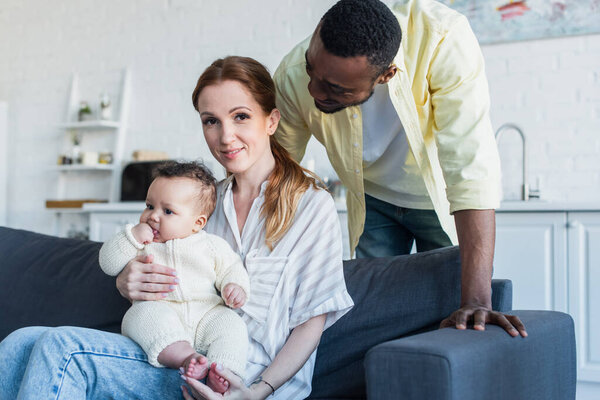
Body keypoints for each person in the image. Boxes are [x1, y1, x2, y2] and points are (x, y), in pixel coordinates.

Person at [0, 56, 353, 400]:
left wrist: (258, 392)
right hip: (178, 357)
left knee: (62, 349)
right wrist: (128, 281)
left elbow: (311, 324)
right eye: (210, 121)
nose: (226, 137)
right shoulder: (199, 205)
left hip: (246, 380)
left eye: (241, 117)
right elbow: (151, 265)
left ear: (271, 120)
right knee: (20, 342)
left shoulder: (311, 206)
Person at [272, 0, 527, 336]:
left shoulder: (443, 39)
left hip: (438, 200)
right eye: (311, 70)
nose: (313, 90)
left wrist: (479, 300)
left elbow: (470, 165)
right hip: (372, 199)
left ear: (386, 74)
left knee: (452, 315)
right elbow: (276, 176)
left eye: (335, 89)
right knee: (367, 315)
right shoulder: (293, 71)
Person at [99, 160, 250, 391]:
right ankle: (187, 359)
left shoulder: (211, 246)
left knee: (232, 325)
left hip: (206, 313)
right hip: (160, 309)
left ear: (197, 223)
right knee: (140, 316)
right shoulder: (142, 243)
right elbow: (108, 263)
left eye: (167, 211)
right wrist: (132, 237)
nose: (153, 216)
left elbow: (232, 268)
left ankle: (222, 373)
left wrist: (235, 286)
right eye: (149, 206)